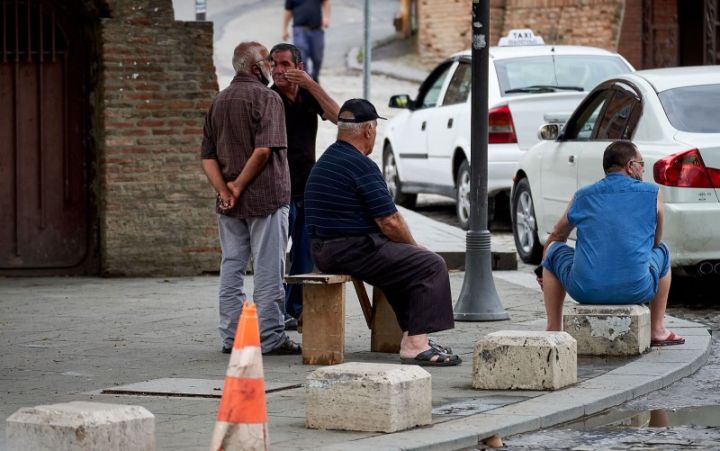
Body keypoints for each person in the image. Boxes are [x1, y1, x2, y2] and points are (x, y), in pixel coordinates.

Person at [304, 98, 461, 366]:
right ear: (368, 130)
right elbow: (390, 221)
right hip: (351, 248)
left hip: (323, 250)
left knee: (400, 266)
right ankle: (415, 345)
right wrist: (413, 246)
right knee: (430, 264)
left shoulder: (327, 160)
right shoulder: (361, 165)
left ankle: (414, 334)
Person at [200, 41, 301, 356]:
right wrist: (239, 186)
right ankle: (270, 338)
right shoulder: (267, 98)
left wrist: (225, 191)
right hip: (265, 199)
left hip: (229, 204)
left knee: (231, 268)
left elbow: (207, 157)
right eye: (267, 63)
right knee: (269, 270)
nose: (271, 67)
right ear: (257, 67)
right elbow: (263, 150)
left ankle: (232, 337)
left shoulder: (219, 101)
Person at [538, 140, 684, 347]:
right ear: (631, 166)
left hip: (584, 290)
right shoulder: (652, 193)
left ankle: (553, 329)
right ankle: (657, 330)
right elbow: (655, 242)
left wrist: (542, 268)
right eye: (641, 164)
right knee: (664, 251)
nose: (643, 169)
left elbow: (557, 235)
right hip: (637, 288)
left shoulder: (583, 195)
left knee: (553, 249)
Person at [269, 43, 339, 328]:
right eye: (274, 64)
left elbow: (339, 117)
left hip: (306, 188)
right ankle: (274, 312)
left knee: (304, 253)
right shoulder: (269, 98)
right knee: (273, 255)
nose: (278, 70)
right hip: (277, 188)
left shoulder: (309, 96)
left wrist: (311, 85)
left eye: (285, 64)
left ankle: (295, 308)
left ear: (299, 67)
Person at [281, 0, 329, 82]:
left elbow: (325, 2)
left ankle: (315, 76)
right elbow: (288, 11)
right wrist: (284, 29)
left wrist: (326, 17)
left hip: (316, 30)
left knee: (317, 58)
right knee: (302, 58)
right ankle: (307, 81)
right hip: (299, 30)